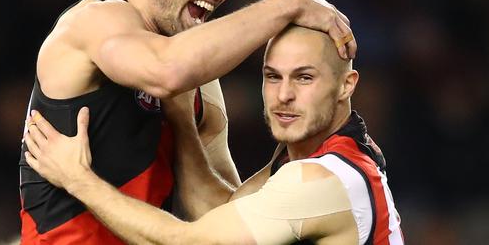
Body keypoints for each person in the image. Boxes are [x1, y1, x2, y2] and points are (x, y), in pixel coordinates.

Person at [18, 0, 357, 244]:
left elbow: (217, 218)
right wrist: (287, 3)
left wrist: (185, 123)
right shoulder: (94, 22)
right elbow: (166, 71)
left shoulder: (198, 77)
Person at [24, 25, 403, 244]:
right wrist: (182, 118)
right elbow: (219, 212)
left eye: (304, 77)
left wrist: (79, 180)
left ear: (346, 85)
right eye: (273, 76)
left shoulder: (321, 179)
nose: (284, 94)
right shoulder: (318, 157)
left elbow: (190, 243)